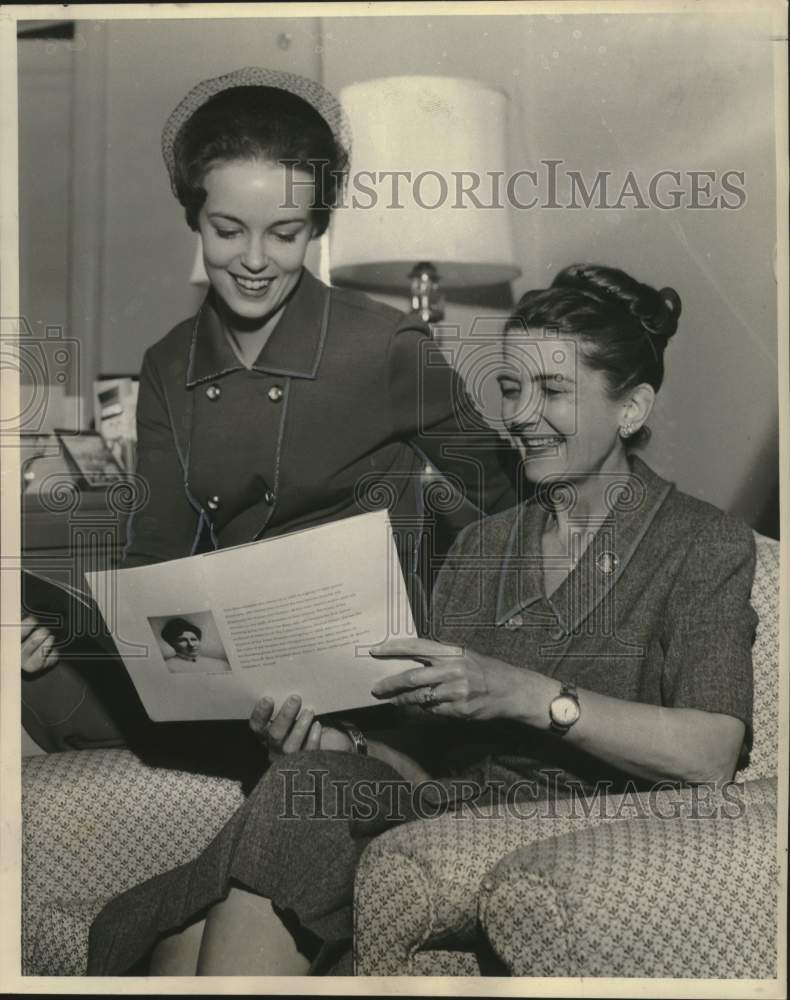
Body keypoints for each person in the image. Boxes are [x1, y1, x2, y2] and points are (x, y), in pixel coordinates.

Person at [87, 263, 757, 977]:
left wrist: (534, 697)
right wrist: (340, 745)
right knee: (297, 789)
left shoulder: (699, 543)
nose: (522, 414)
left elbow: (711, 751)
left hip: (585, 829)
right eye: (511, 387)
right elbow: (428, 759)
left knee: (191, 928)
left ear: (631, 409)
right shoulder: (482, 543)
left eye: (554, 391)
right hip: (455, 806)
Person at [20, 67, 518, 747]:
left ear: (317, 226)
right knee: (32, 673)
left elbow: (511, 502)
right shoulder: (170, 363)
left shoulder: (386, 346)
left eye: (284, 234)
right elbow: (156, 557)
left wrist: (468, 641)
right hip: (233, 677)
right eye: (228, 230)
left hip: (368, 683)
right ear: (194, 215)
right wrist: (74, 633)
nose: (254, 260)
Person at [159, 617, 230, 675]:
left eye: (193, 639)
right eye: (183, 640)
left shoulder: (220, 664)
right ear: (172, 644)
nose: (191, 644)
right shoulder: (167, 667)